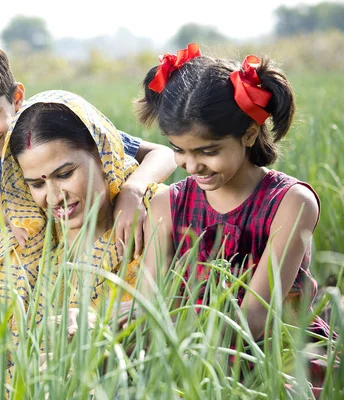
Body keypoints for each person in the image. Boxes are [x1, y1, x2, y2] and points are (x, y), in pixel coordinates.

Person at [130, 44, 336, 394]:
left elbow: (256, 316)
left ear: (249, 134)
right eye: (179, 150)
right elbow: (149, 302)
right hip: (185, 346)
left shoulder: (290, 203)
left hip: (274, 348)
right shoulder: (167, 203)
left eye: (208, 152)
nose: (192, 167)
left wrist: (185, 347)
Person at [0, 90, 159, 396]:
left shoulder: (156, 219)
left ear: (102, 154)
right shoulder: (21, 246)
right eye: (37, 184)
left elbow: (184, 323)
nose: (54, 197)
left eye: (65, 174)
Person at [0, 33, 175, 255]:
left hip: (114, 221)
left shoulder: (49, 124)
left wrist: (132, 191)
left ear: (16, 98)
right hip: (60, 236)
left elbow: (163, 154)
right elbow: (7, 222)